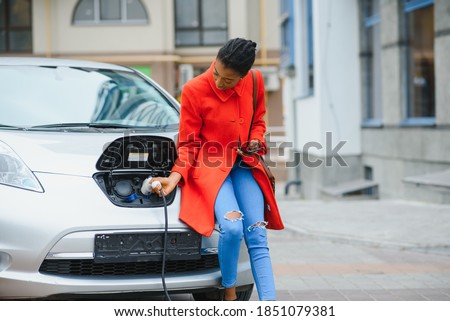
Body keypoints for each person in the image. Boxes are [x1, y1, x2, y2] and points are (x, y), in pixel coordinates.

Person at [149, 38, 284, 301]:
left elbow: (259, 121)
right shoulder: (194, 89)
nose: (220, 83)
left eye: (229, 80)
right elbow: (188, 143)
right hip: (211, 168)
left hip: (245, 165)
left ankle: (271, 305)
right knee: (233, 227)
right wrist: (174, 178)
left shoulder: (255, 81)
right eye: (216, 73)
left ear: (243, 76)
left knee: (256, 233)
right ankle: (229, 291)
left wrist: (256, 138)